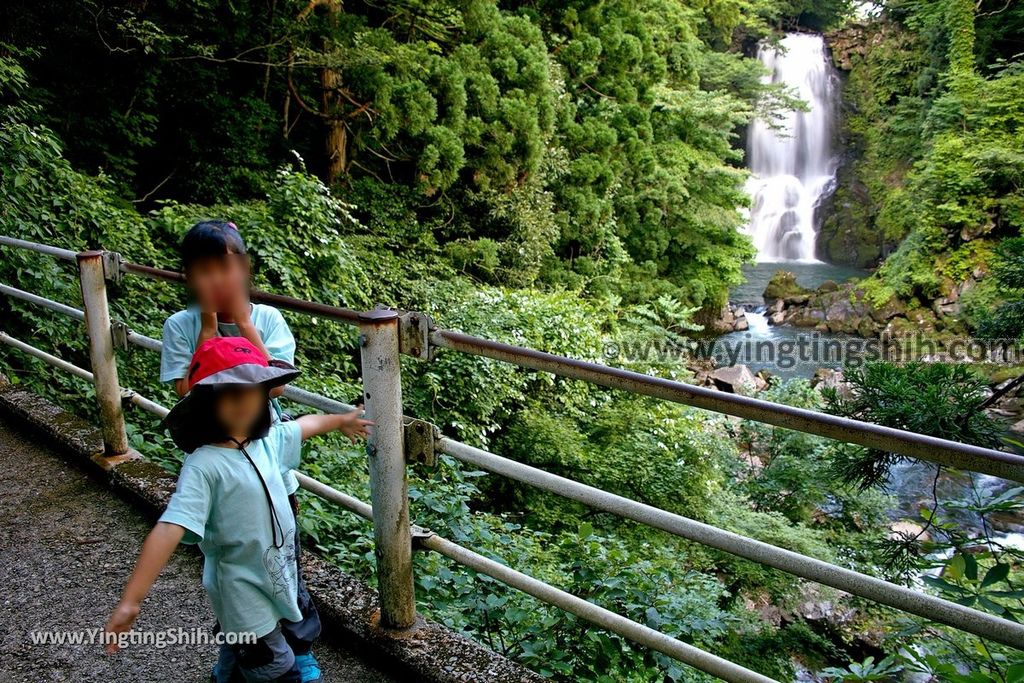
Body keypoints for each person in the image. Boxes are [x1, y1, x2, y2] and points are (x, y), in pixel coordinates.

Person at [104, 337, 372, 682]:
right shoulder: (204, 465)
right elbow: (170, 527)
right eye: (229, 392)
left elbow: (302, 426)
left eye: (252, 391)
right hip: (240, 589)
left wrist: (338, 421)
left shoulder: (264, 443)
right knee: (274, 667)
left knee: (247, 645)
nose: (243, 402)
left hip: (274, 573)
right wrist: (132, 601)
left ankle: (227, 673)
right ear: (207, 403)